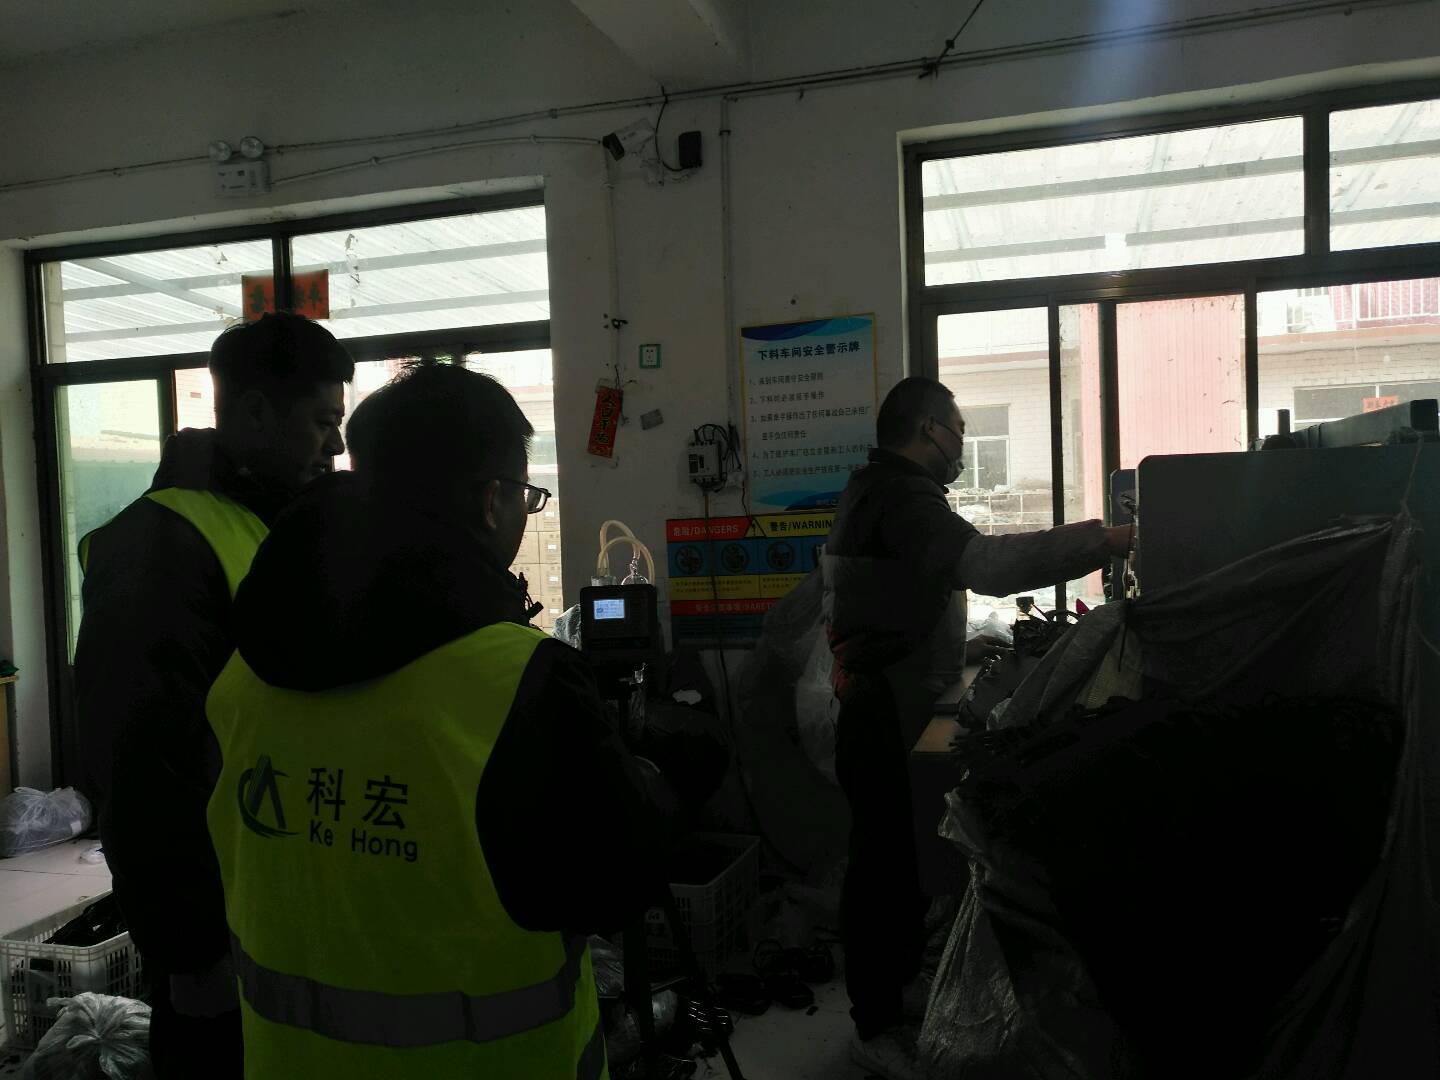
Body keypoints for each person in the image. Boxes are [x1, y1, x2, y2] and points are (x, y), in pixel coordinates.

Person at [205, 360, 682, 1079]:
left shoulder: (242, 673)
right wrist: (648, 784)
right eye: (525, 495)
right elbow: (615, 882)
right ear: (492, 501)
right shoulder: (518, 681)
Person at [823, 376, 1131, 1080]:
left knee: (899, 861)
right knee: (883, 869)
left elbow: (883, 603)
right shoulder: (903, 497)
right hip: (879, 710)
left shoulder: (877, 489)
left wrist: (955, 647)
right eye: (959, 430)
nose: (961, 444)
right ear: (929, 429)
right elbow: (987, 566)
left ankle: (896, 987)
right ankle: (873, 1026)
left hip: (879, 695)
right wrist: (1107, 541)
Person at [74, 313, 354, 1080]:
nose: (336, 446)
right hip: (217, 928)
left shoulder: (273, 522)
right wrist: (190, 947)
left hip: (284, 898)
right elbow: (140, 758)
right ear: (255, 413)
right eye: (323, 422)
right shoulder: (161, 548)